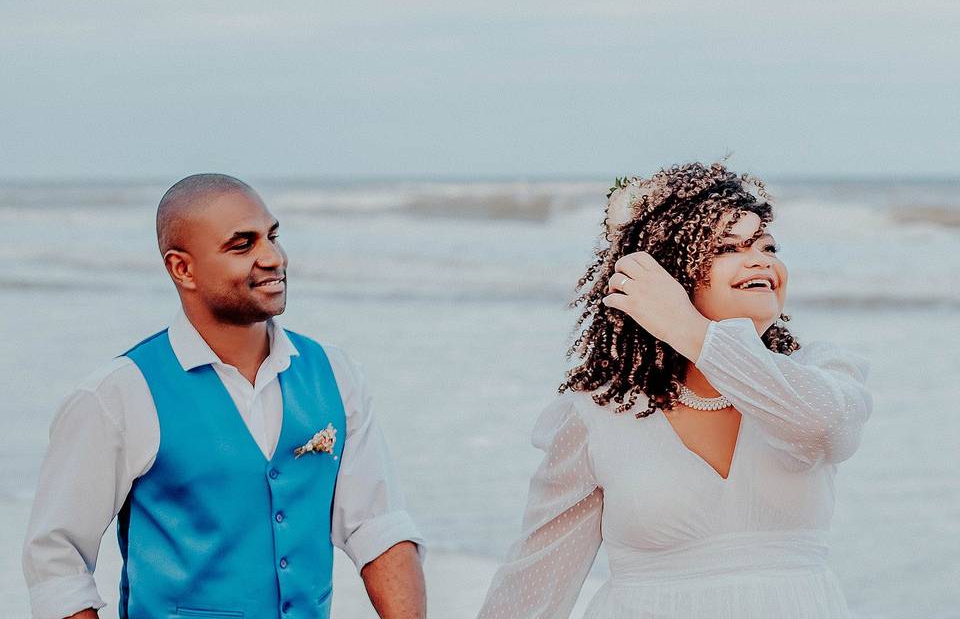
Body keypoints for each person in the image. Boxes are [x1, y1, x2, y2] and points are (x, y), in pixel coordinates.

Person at [477, 162, 873, 618]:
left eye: (767, 245)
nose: (762, 259)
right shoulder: (599, 413)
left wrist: (690, 328)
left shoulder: (819, 372)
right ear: (667, 275)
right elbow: (536, 580)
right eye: (728, 247)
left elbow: (824, 426)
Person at [22, 174, 427, 619]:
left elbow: (377, 527)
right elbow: (57, 564)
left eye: (272, 236)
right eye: (243, 245)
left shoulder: (335, 374)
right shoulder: (119, 393)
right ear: (182, 268)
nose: (272, 257)